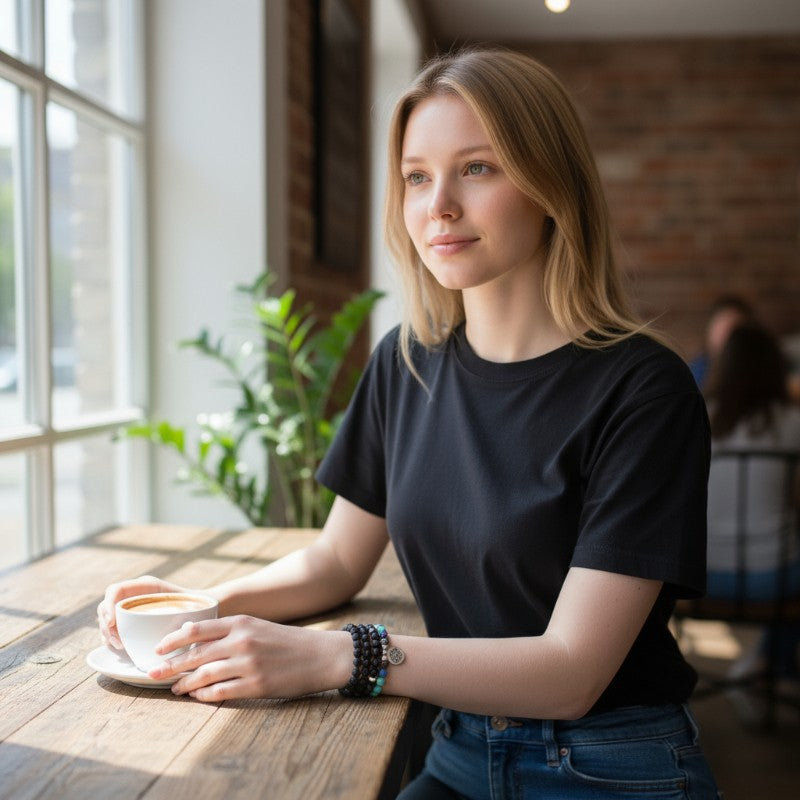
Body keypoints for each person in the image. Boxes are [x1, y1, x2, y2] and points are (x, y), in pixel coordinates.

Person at [98, 48, 721, 799]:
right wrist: (192, 611)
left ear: (552, 183)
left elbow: (570, 673)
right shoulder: (406, 363)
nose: (439, 207)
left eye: (478, 168)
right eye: (417, 177)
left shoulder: (644, 389)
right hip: (458, 749)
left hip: (606, 766)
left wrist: (340, 657)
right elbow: (334, 561)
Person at [704, 323, 800, 711]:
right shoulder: (793, 423)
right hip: (772, 580)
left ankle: (761, 667)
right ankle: (768, 666)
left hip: (698, 576)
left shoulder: (698, 416)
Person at [689, 295, 754, 389]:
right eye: (723, 331)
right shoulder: (696, 373)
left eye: (735, 332)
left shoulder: (758, 372)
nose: (728, 340)